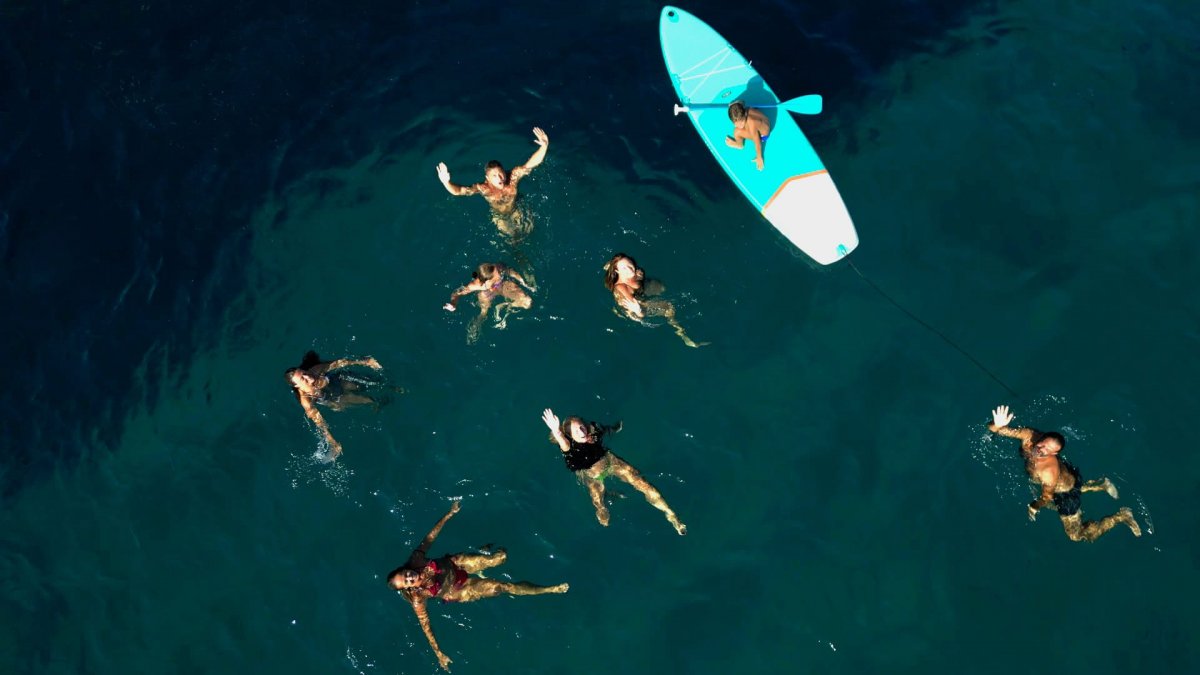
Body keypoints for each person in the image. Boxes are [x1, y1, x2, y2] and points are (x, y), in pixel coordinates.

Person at [387, 501, 569, 672]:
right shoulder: (417, 598)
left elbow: (430, 537)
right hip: (458, 589)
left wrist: (449, 514)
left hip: (455, 564)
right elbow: (426, 626)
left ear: (405, 569)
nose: (410, 578)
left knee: (500, 557)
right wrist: (438, 653)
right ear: (407, 588)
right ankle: (548, 589)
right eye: (407, 582)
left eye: (406, 574)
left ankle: (498, 541)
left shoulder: (416, 560)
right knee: (502, 587)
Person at [987, 404, 1141, 542]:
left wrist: (1034, 506)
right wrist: (997, 425)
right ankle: (1102, 484)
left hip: (1065, 494)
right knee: (1074, 486)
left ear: (1055, 454)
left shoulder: (1048, 471)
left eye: (1048, 451)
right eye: (1042, 444)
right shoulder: (1029, 436)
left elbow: (1047, 497)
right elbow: (996, 430)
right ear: (1041, 437)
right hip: (1068, 477)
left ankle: (1121, 516)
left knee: (1075, 535)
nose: (1041, 450)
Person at [541, 408, 687, 535]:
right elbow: (563, 443)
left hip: (612, 462)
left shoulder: (593, 432)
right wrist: (556, 431)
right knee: (603, 514)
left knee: (645, 485)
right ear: (571, 435)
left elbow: (607, 430)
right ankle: (608, 496)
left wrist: (615, 428)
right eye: (576, 431)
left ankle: (671, 515)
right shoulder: (569, 448)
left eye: (582, 427)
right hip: (593, 476)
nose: (581, 432)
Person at [435, 127, 549, 236]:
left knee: (530, 231)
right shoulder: (483, 188)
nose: (500, 178)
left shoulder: (513, 177)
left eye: (500, 173)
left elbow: (530, 164)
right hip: (499, 216)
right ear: (488, 178)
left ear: (504, 171)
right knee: (512, 239)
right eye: (494, 176)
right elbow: (459, 191)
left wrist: (544, 147)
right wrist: (446, 182)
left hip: (516, 208)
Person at [284, 351, 387, 459]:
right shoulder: (306, 399)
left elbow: (339, 363)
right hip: (333, 398)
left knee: (370, 384)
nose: (308, 377)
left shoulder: (316, 370)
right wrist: (332, 442)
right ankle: (381, 401)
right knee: (366, 400)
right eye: (303, 379)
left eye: (304, 372)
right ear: (297, 386)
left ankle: (392, 388)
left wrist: (365, 362)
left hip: (337, 382)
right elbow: (319, 422)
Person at [603, 253, 705, 348]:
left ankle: (611, 265)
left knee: (660, 287)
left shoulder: (636, 272)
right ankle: (682, 335)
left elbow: (635, 274)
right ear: (617, 271)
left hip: (638, 294)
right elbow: (640, 315)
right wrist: (638, 310)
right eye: (624, 268)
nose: (629, 269)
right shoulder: (622, 288)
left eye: (630, 265)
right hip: (633, 309)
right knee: (668, 307)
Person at [443, 263, 535, 343]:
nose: (499, 272)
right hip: (487, 293)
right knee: (483, 313)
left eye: (498, 271)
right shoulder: (477, 285)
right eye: (497, 274)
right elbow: (457, 293)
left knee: (528, 302)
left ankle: (504, 305)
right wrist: (453, 303)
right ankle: (475, 327)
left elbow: (512, 273)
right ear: (486, 280)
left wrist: (524, 283)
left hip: (502, 286)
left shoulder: (498, 268)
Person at [724, 101, 771, 171]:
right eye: (737, 123)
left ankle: (739, 144)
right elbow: (742, 102)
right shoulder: (742, 109)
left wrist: (759, 157)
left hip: (763, 135)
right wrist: (732, 106)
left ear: (744, 115)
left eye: (741, 122)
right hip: (764, 121)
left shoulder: (751, 123)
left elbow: (757, 142)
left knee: (737, 131)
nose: (740, 125)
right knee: (742, 123)